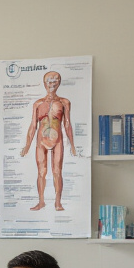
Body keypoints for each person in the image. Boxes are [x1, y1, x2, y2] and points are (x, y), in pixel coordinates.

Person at [20, 70, 80, 211]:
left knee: (57, 171)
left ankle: (57, 202)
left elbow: (67, 124)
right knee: (41, 172)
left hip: (57, 141)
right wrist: (27, 145)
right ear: (44, 83)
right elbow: (33, 125)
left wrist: (72, 145)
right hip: (41, 141)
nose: (52, 84)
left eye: (55, 81)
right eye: (49, 81)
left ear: (59, 83)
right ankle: (41, 201)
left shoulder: (64, 102)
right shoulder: (38, 103)